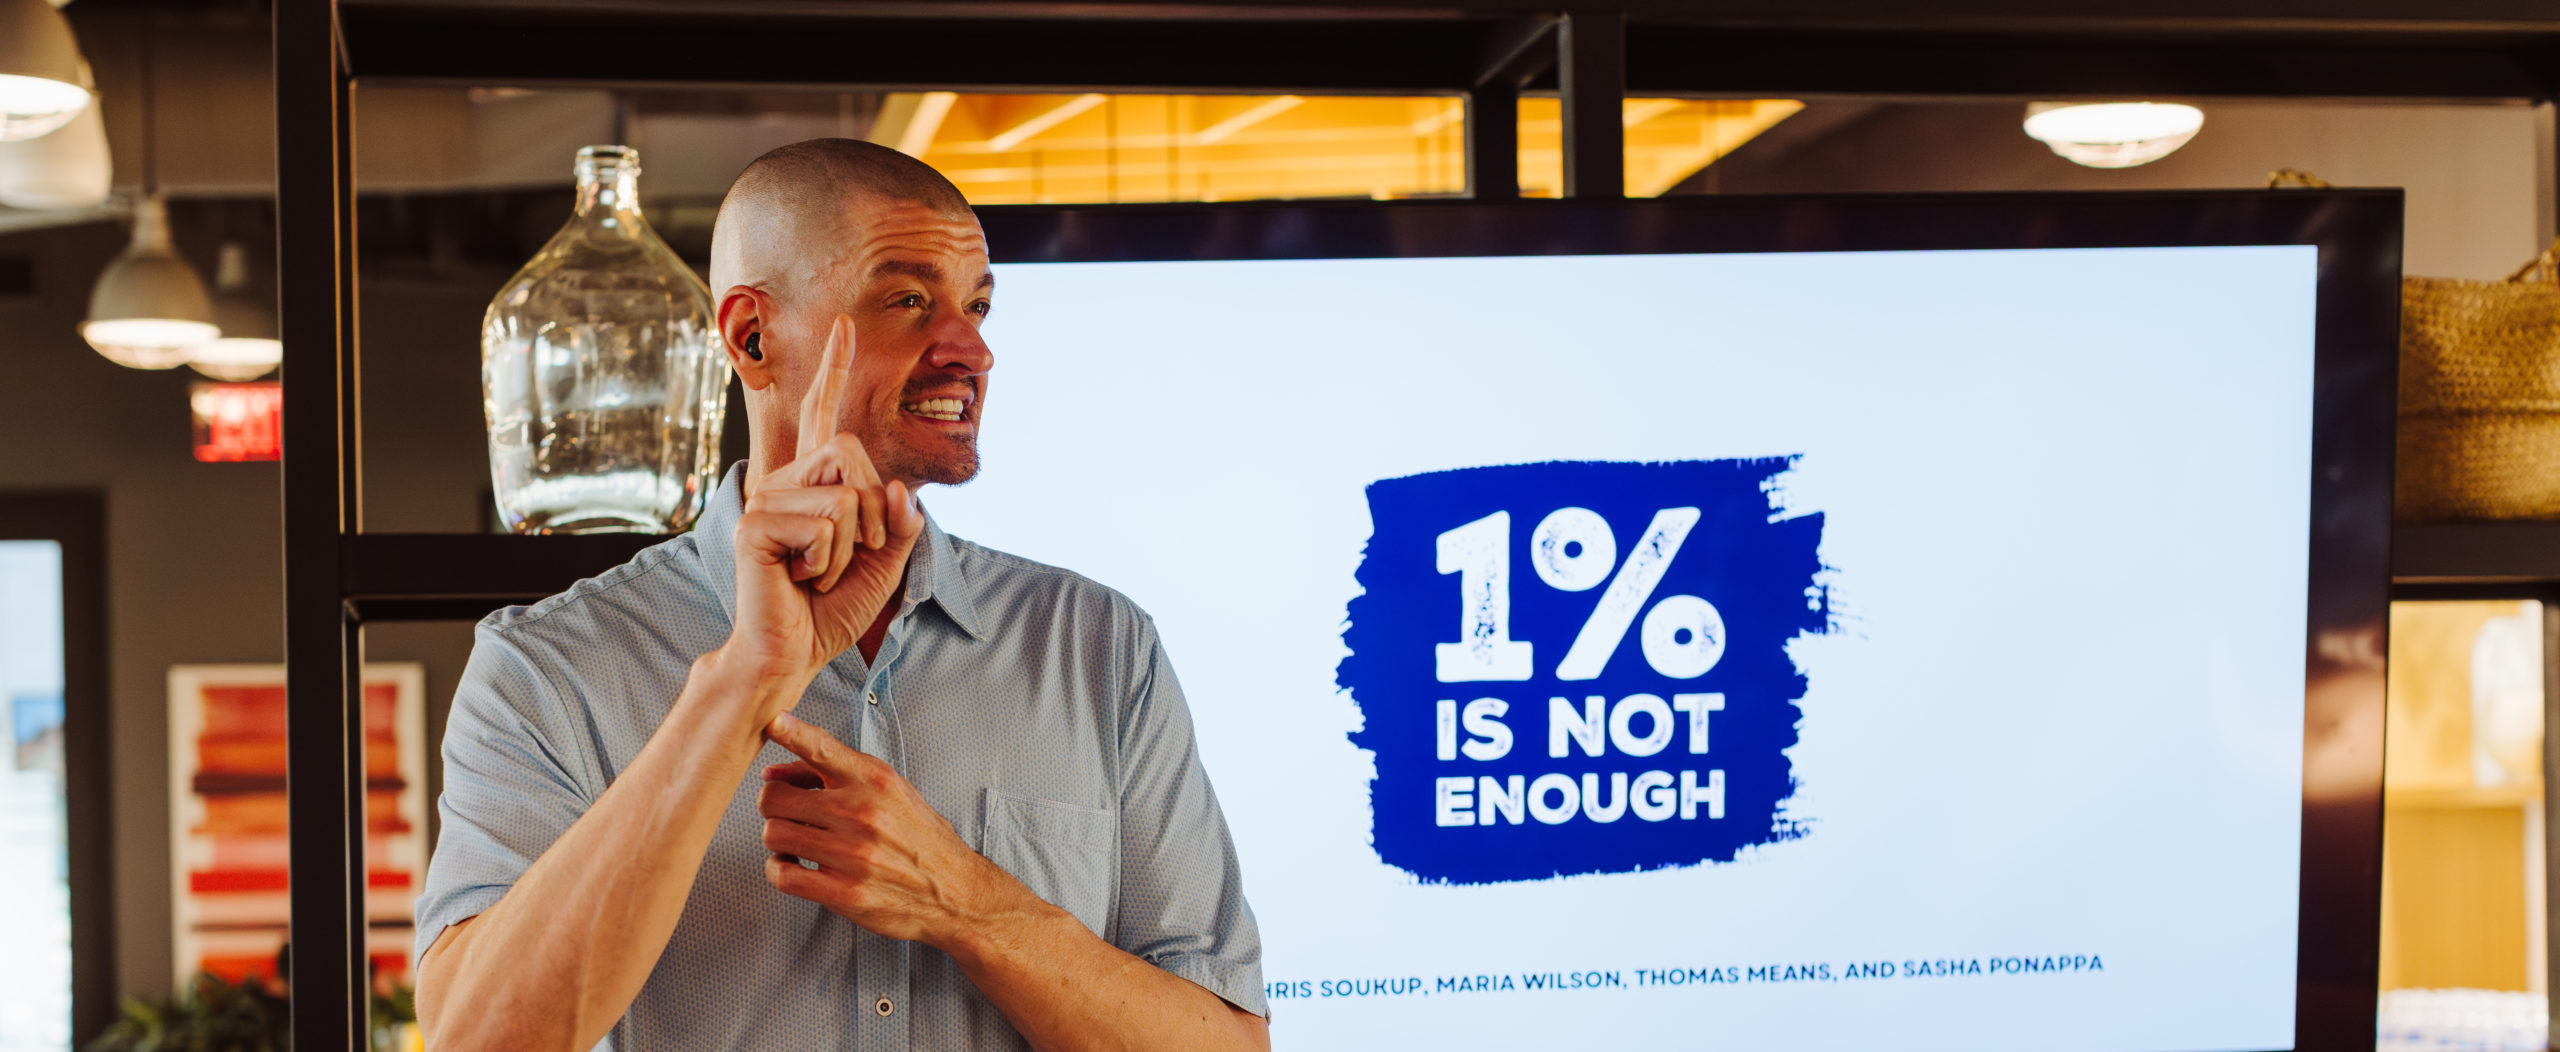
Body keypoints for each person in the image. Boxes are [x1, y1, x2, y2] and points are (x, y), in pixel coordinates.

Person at [411, 139, 1268, 1052]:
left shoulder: (1098, 647)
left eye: (977, 306)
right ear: (753, 337)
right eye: (908, 301)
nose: (972, 350)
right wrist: (747, 680)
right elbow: (477, 1041)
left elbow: (1226, 1045)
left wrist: (966, 901)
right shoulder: (549, 669)